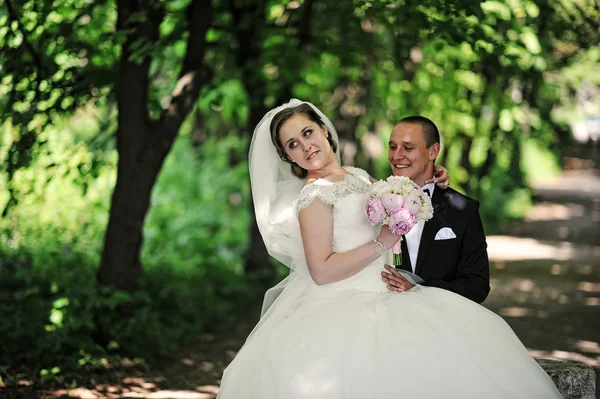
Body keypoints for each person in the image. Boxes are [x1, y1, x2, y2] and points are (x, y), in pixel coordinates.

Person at [217, 99, 561, 398]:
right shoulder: (313, 196)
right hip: (343, 308)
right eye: (292, 144)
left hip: (388, 293)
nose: (305, 147)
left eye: (307, 133)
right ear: (286, 155)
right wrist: (379, 243)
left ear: (323, 129)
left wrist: (432, 176)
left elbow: (392, 195)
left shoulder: (355, 175)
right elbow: (321, 270)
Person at [382, 116, 490, 303]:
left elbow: (477, 285)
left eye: (408, 148)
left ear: (433, 151)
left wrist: (420, 291)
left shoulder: (463, 210)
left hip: (441, 321)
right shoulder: (374, 202)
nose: (397, 155)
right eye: (392, 147)